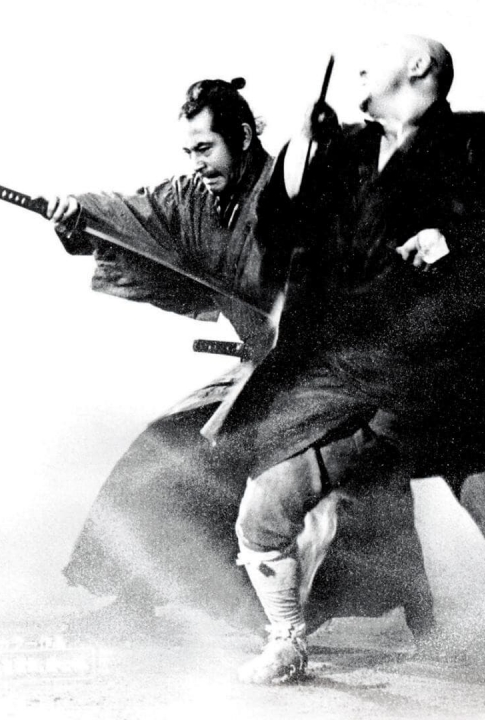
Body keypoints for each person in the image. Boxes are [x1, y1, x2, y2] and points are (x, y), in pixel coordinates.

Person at [221, 35, 485, 714]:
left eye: (374, 57)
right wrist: (300, 152)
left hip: (447, 377)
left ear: (417, 68)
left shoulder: (476, 144)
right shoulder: (347, 148)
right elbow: (281, 234)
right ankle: (288, 639)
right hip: (350, 373)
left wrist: (458, 242)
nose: (359, 66)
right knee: (263, 509)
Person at [40, 78, 434, 637]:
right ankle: (137, 594)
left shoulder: (297, 190)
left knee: (359, 490)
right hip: (261, 371)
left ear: (244, 136)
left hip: (336, 372)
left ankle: (422, 619)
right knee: (167, 449)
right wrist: (77, 212)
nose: (197, 163)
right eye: (189, 152)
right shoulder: (189, 200)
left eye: (206, 148)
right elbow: (134, 211)